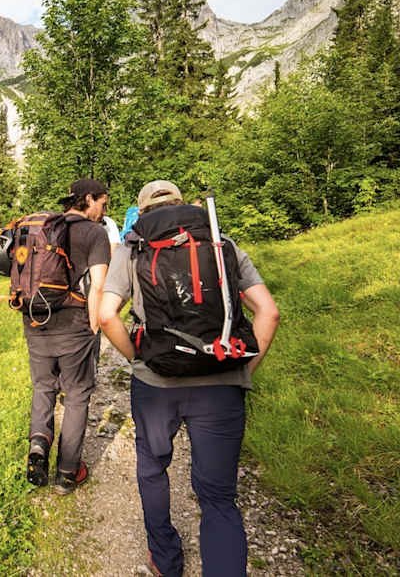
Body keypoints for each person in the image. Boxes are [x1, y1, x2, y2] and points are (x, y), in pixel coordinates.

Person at [97, 180, 280, 576]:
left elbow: (107, 315)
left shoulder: (134, 247)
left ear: (142, 213)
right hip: (222, 379)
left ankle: (165, 559)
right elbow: (269, 313)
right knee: (219, 498)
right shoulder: (221, 243)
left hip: (157, 383)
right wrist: (243, 369)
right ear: (184, 206)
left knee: (152, 468)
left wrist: (136, 360)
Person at [25, 178, 111, 494]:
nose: (104, 209)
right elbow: (99, 286)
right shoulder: (95, 233)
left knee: (43, 386)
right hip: (74, 326)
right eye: (103, 202)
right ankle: (67, 472)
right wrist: (95, 325)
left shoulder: (43, 228)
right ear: (88, 199)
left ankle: (38, 444)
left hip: (35, 321)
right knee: (76, 395)